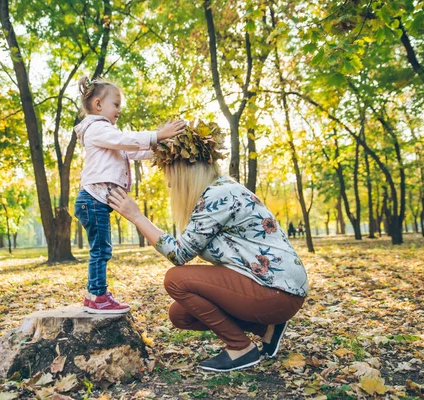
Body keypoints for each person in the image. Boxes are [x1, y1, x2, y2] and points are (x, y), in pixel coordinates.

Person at [107, 122, 308, 372]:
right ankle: (266, 329)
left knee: (176, 279)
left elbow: (179, 254)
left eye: (170, 175)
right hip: (272, 288)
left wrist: (137, 217)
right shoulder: (218, 191)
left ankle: (241, 349)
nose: (169, 185)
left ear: (183, 171)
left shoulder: (218, 195)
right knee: (180, 315)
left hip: (276, 290)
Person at [73, 75, 185, 314]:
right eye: (116, 104)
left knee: (101, 247)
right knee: (101, 248)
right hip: (92, 200)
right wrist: (158, 135)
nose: (119, 110)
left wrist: (161, 150)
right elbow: (127, 140)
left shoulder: (108, 135)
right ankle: (97, 296)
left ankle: (97, 293)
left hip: (96, 201)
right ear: (98, 105)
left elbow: (133, 151)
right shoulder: (96, 129)